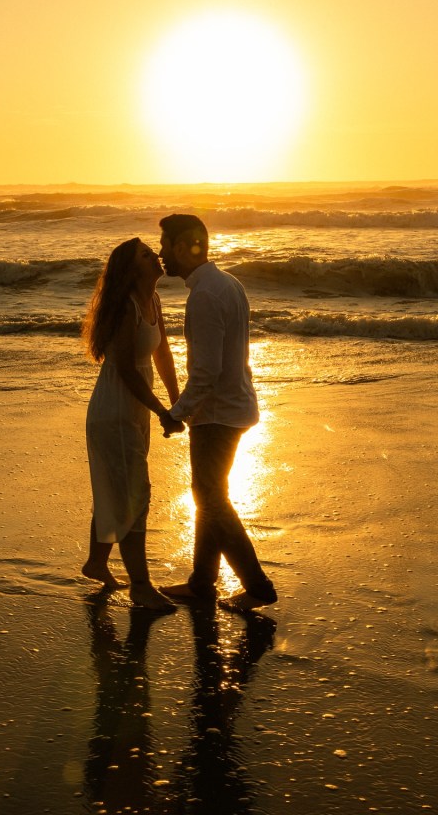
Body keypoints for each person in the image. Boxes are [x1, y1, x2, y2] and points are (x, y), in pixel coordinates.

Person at [158, 214, 278, 610]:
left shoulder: (206, 295)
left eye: (164, 244)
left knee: (211, 499)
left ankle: (257, 587)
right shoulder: (228, 284)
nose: (160, 254)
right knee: (208, 495)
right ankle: (202, 583)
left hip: (217, 414)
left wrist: (178, 412)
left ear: (182, 246)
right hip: (235, 405)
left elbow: (205, 372)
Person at [81, 237, 183, 610]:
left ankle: (96, 562)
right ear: (131, 268)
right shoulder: (126, 306)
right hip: (115, 409)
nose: (155, 255)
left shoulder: (152, 300)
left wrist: (177, 402)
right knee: (135, 493)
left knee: (118, 487)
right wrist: (162, 412)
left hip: (134, 408)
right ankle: (141, 586)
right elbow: (125, 369)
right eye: (145, 254)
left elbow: (163, 352)